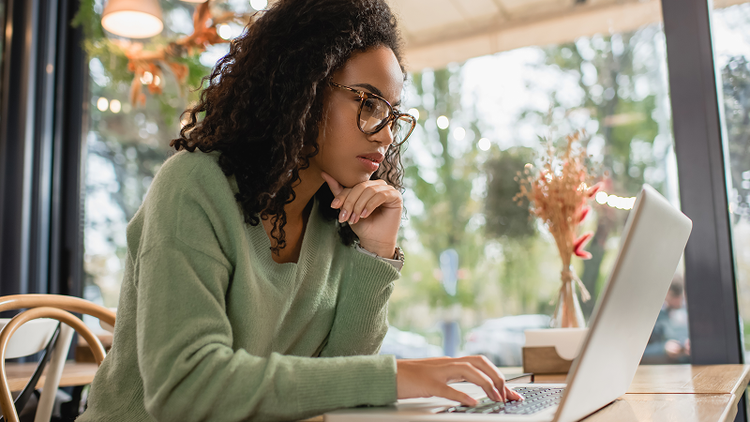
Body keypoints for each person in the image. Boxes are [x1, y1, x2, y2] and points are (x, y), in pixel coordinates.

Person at [76, 0, 521, 420]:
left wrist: (376, 251)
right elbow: (186, 390)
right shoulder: (193, 185)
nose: (385, 136)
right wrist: (397, 376)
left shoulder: (336, 217)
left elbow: (337, 383)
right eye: (368, 103)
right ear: (299, 86)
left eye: (392, 113)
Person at [641, 275, 690, 364]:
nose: (678, 300)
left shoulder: (688, 313)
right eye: (674, 296)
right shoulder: (655, 319)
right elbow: (640, 354)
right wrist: (664, 349)